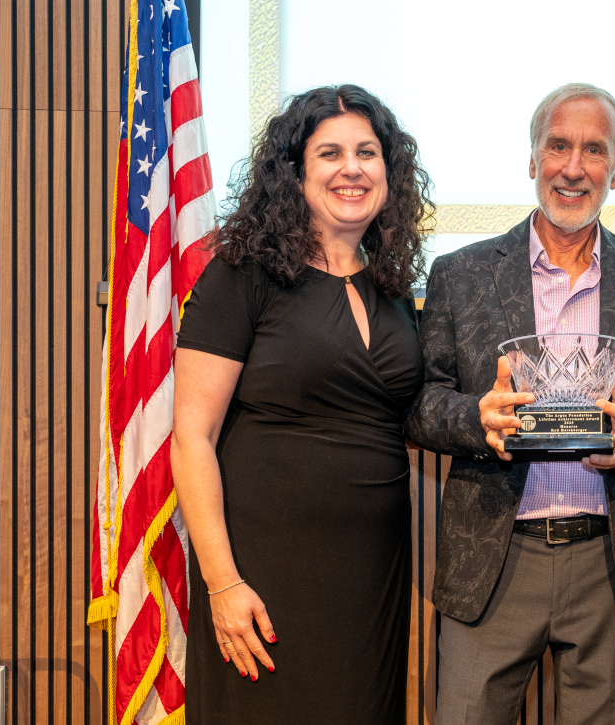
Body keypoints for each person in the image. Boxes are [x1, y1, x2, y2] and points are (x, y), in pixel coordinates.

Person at [406, 83, 615, 725]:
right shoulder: (462, 272)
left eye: (594, 150)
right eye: (558, 145)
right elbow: (421, 404)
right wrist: (476, 419)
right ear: (533, 158)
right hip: (494, 562)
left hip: (610, 563)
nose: (573, 166)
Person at [170, 84, 431, 724]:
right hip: (262, 574)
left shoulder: (394, 286)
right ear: (295, 171)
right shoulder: (243, 272)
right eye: (330, 153)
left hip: (371, 579)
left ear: (389, 172)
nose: (352, 169)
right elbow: (191, 439)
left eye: (368, 153)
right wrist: (223, 584)